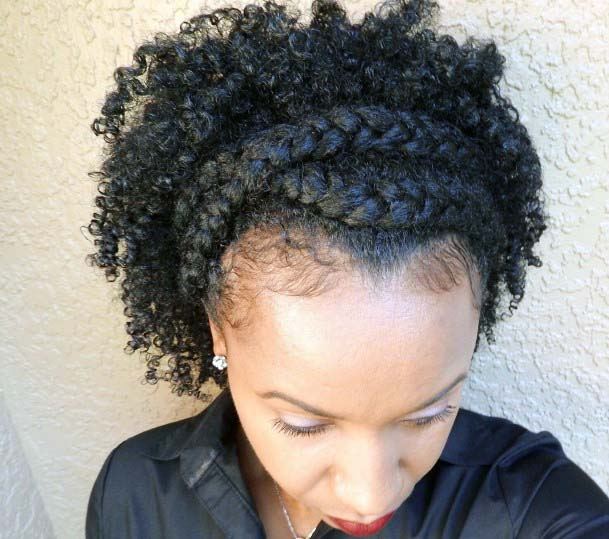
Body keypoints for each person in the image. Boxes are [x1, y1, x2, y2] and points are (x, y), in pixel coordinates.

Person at [83, 0, 609, 537]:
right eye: (305, 426)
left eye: (428, 414)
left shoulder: (535, 510)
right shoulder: (133, 493)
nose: (370, 496)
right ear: (218, 330)